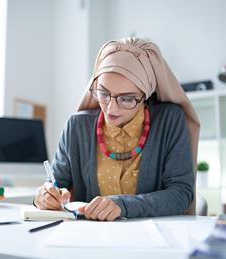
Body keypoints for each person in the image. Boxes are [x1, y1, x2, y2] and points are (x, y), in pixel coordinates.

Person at [34, 37, 200, 221]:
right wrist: (45, 196)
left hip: (153, 240)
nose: (111, 109)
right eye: (103, 93)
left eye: (127, 98)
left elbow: (181, 194)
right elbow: (56, 185)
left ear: (145, 94)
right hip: (89, 238)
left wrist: (123, 206)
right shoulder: (76, 127)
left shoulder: (169, 120)